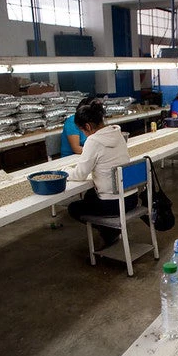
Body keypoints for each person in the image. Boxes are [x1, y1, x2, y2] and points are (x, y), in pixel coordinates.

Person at [66, 100, 134, 247]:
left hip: (114, 204)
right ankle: (110, 231)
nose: (84, 133)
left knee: (73, 208)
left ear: (88, 127)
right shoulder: (118, 134)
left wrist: (65, 173)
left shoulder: (93, 141)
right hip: (131, 198)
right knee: (90, 194)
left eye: (82, 130)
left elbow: (80, 174)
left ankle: (109, 231)